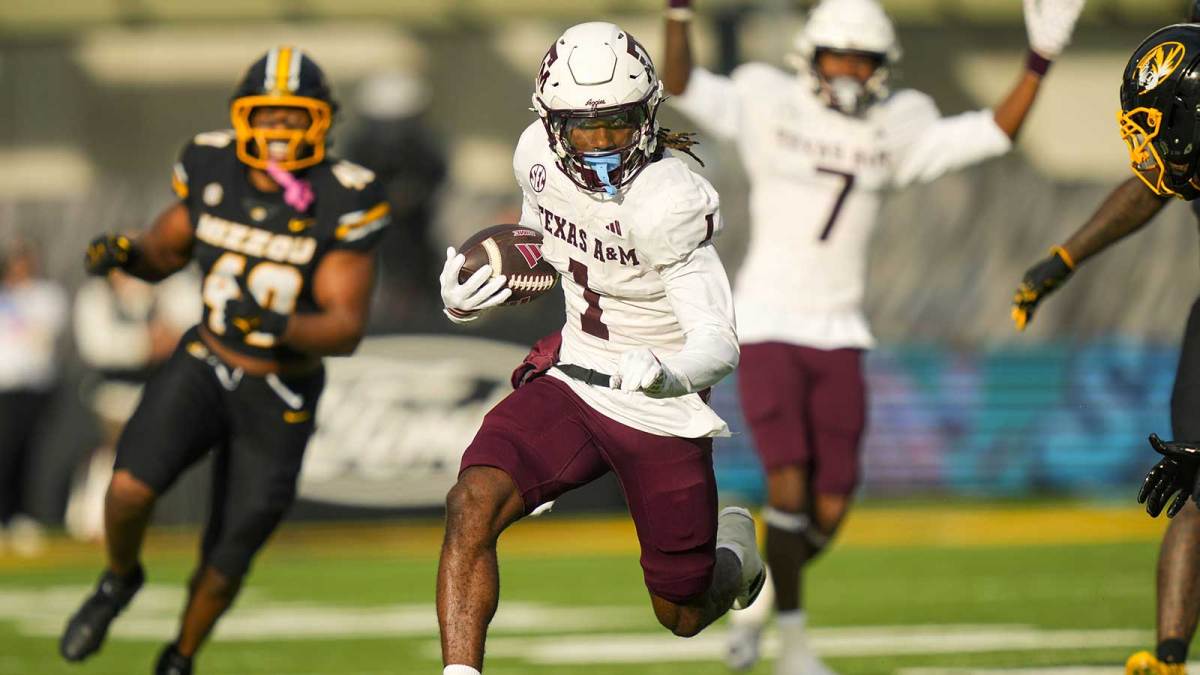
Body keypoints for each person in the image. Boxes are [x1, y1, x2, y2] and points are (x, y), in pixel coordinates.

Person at [661, 0, 1085, 671]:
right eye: (840, 56)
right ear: (812, 57)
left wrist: (1039, 60)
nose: (852, 71)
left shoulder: (897, 123)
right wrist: (679, 12)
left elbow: (994, 132)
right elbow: (681, 82)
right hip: (769, 320)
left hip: (841, 328)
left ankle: (760, 600)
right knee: (791, 490)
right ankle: (793, 645)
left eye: (864, 59)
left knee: (830, 504)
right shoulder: (768, 99)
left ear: (882, 68)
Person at [435, 22, 764, 675]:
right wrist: (479, 290)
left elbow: (719, 343)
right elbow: (542, 245)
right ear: (551, 124)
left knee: (683, 612)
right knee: (471, 501)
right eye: (583, 128)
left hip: (659, 400)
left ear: (647, 115)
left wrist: (669, 373)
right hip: (576, 371)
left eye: (615, 124)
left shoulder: (668, 198)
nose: (602, 143)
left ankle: (738, 554)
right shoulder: (535, 156)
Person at [59, 45, 390, 675]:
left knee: (228, 554)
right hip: (206, 361)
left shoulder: (344, 196)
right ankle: (117, 579)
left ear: (321, 121)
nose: (279, 130)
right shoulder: (211, 165)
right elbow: (165, 251)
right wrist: (127, 255)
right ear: (244, 117)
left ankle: (179, 657)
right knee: (127, 488)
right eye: (268, 115)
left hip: (280, 390)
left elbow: (345, 328)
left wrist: (274, 323)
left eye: (294, 117)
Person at [1010, 21, 1200, 675]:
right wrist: (1063, 259)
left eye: (1152, 126)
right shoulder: (1188, 158)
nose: (1141, 145)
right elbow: (1150, 186)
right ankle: (1170, 657)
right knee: (1194, 477)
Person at [0, 241, 68, 557]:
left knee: (27, 451)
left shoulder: (44, 296)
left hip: (33, 387)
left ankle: (21, 515)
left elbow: (42, 334)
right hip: (5, 387)